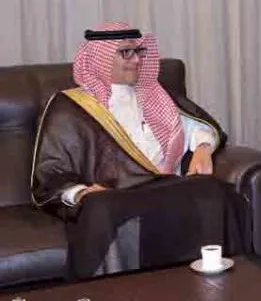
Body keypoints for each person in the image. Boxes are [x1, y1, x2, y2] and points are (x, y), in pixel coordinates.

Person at [31, 22, 245, 279]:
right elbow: (50, 171)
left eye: (139, 51)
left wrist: (202, 148)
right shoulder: (69, 106)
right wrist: (80, 192)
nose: (136, 60)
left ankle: (221, 283)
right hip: (116, 195)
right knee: (99, 208)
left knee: (213, 191)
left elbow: (198, 127)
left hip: (165, 186)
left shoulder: (156, 95)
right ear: (100, 57)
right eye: (126, 52)